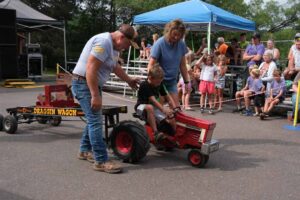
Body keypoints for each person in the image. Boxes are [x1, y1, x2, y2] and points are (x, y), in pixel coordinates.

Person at [71, 24, 139, 173]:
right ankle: (101, 160)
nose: (127, 48)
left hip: (89, 84)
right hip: (83, 84)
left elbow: (115, 67)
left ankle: (84, 150)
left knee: (92, 119)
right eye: (128, 44)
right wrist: (95, 95)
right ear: (121, 37)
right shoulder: (103, 42)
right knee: (96, 121)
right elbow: (90, 69)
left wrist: (129, 80)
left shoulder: (114, 47)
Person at [148, 19, 190, 108]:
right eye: (174, 34)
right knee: (159, 108)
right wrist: (151, 83)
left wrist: (187, 82)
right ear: (168, 31)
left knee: (176, 108)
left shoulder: (181, 44)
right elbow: (151, 65)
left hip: (171, 82)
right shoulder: (160, 43)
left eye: (179, 35)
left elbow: (182, 65)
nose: (176, 37)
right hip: (159, 82)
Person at [135, 65, 176, 139]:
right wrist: (163, 110)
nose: (159, 84)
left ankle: (172, 137)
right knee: (150, 107)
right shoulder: (145, 85)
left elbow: (167, 96)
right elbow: (153, 100)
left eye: (160, 82)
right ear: (150, 78)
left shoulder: (160, 84)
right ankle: (155, 132)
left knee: (170, 119)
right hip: (140, 107)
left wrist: (174, 108)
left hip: (153, 107)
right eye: (157, 82)